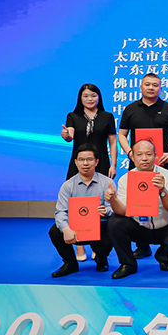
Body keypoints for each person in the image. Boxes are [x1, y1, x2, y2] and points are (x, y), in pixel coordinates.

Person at [118, 73, 168, 260]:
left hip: (163, 164)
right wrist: (130, 153)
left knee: (164, 199)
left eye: (155, 85)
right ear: (141, 87)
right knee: (140, 201)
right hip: (139, 163)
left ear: (160, 88)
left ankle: (166, 243)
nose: (151, 88)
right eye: (147, 84)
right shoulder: (131, 109)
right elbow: (122, 134)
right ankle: (143, 245)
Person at [105, 139, 168, 279]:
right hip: (138, 226)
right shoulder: (125, 179)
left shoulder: (167, 176)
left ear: (155, 156)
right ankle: (128, 264)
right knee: (115, 222)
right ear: (132, 157)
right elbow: (123, 211)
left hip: (164, 226)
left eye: (148, 154)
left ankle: (163, 257)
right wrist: (113, 199)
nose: (144, 158)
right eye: (139, 154)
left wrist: (162, 190)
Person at [61, 83, 117, 262]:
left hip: (101, 163)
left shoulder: (107, 116)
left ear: (99, 97)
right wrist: (66, 135)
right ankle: (79, 245)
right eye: (86, 96)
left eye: (93, 95)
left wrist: (113, 165)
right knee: (76, 203)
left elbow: (113, 142)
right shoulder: (73, 116)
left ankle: (95, 242)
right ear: (80, 98)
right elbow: (70, 135)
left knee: (99, 203)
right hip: (79, 164)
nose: (90, 99)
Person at [49, 144, 114, 277]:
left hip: (99, 228)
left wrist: (106, 211)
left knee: (114, 225)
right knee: (55, 231)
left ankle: (102, 258)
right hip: (75, 230)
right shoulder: (68, 186)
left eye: (89, 159)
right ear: (76, 162)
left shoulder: (107, 183)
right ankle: (70, 263)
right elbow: (60, 212)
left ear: (96, 162)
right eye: (81, 159)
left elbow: (113, 208)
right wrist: (66, 229)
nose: (85, 163)